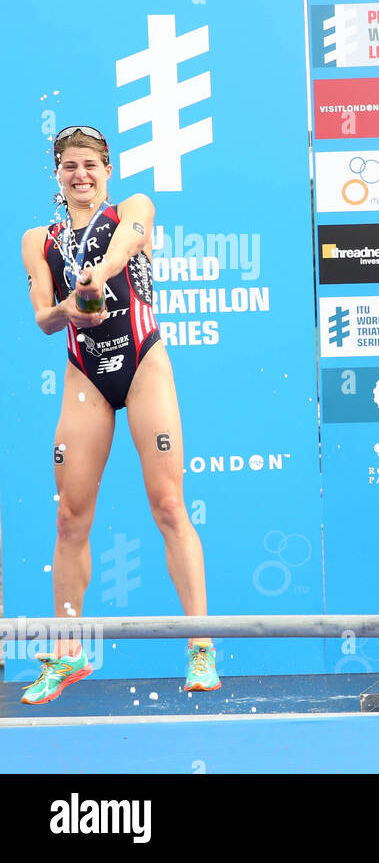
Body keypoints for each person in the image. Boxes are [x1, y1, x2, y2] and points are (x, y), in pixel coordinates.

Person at [18, 126, 220, 703]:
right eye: (69, 166)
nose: (80, 174)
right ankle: (68, 651)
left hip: (143, 361)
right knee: (70, 518)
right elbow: (42, 318)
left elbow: (129, 243)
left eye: (89, 165)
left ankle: (200, 646)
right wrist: (68, 307)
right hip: (85, 374)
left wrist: (95, 278)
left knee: (168, 505)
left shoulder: (134, 207)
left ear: (107, 170)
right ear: (57, 175)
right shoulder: (39, 239)